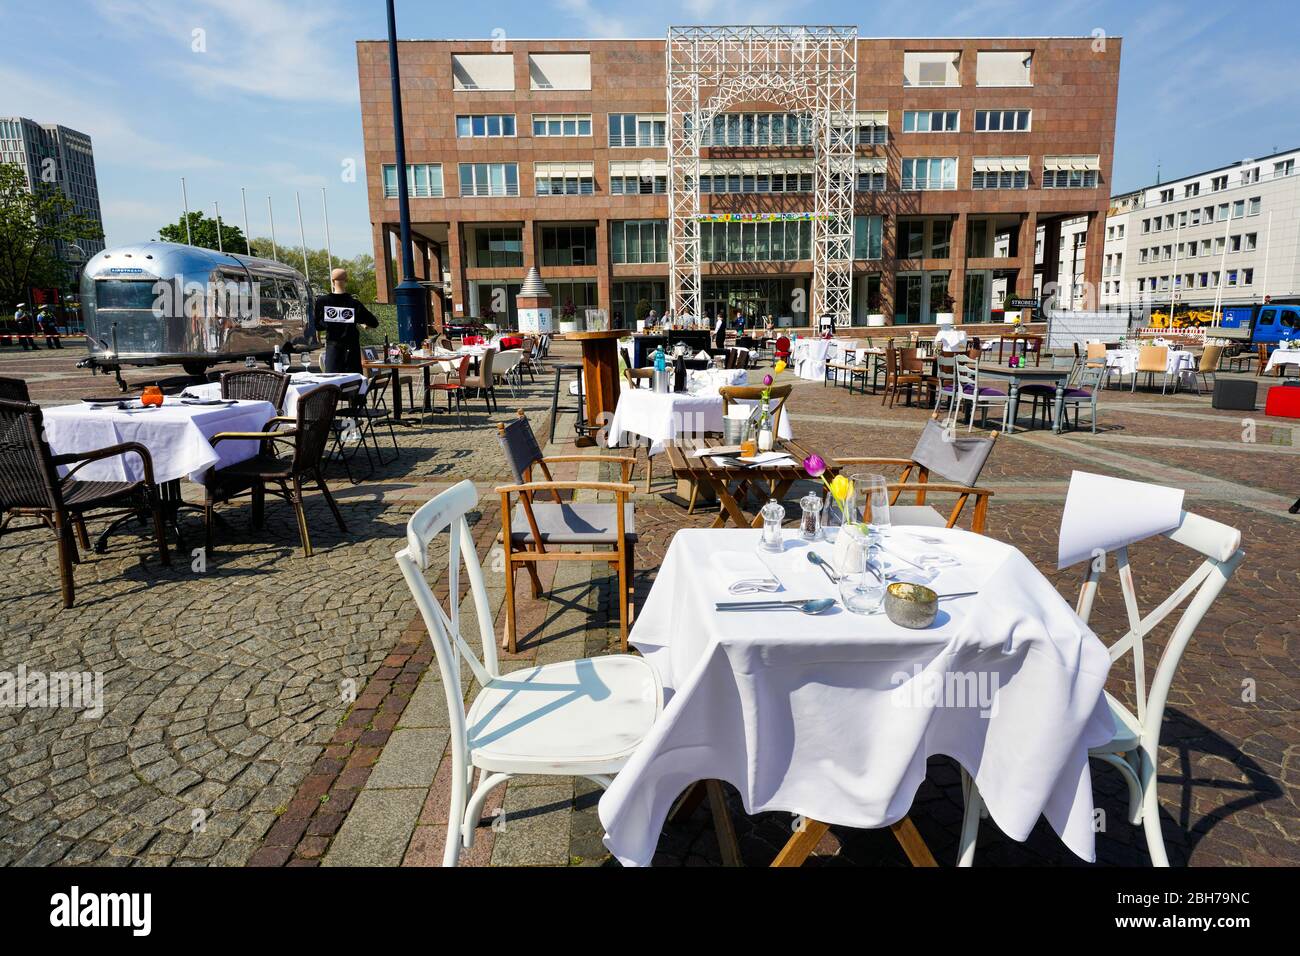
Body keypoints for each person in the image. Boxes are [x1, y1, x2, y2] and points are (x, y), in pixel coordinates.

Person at [312, 267, 378, 373]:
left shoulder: (322, 301)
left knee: (333, 383)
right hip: (351, 352)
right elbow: (374, 323)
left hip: (333, 350)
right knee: (353, 383)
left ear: (332, 281)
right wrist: (361, 323)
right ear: (346, 281)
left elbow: (317, 325)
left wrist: (329, 324)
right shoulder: (354, 304)